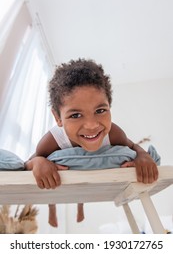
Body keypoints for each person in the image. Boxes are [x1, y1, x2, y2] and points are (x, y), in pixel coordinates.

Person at [25, 58, 158, 227]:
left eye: (100, 110)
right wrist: (38, 162)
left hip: (82, 179)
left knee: (84, 181)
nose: (92, 125)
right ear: (58, 117)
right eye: (75, 115)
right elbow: (30, 161)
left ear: (109, 106)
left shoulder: (114, 133)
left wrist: (143, 155)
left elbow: (133, 146)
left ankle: (81, 206)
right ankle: (52, 209)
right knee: (51, 187)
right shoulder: (52, 139)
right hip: (58, 183)